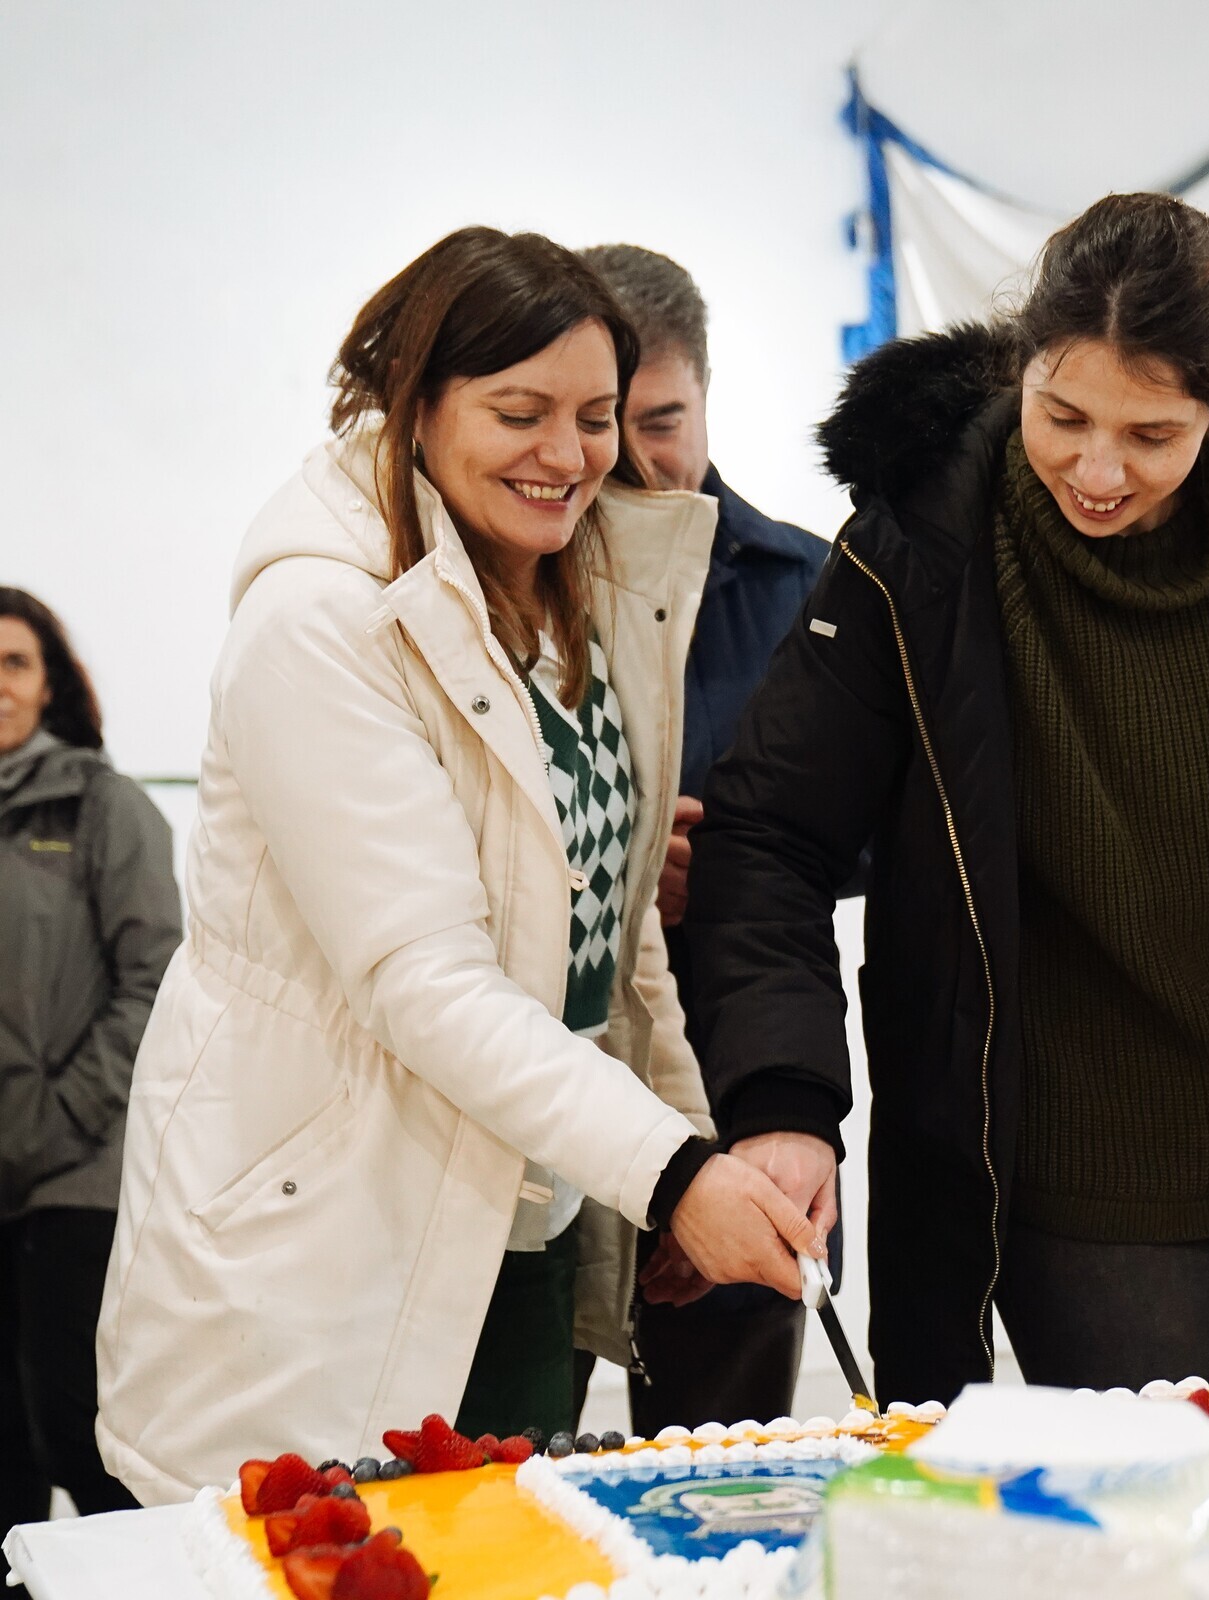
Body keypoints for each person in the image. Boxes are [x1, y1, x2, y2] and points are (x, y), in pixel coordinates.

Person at [682, 193, 1209, 1403]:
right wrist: (783, 1100)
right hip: (1069, 1170)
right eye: (1063, 416)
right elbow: (769, 834)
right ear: (1020, 368)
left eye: (1152, 434)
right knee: (1154, 1499)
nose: (1096, 469)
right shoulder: (918, 548)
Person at [96, 227, 824, 1504]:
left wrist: (690, 1140)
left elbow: (613, 939)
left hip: (522, 1223)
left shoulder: (567, 593)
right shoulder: (319, 623)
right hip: (333, 1234)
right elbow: (424, 979)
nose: (570, 454)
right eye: (519, 413)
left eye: (596, 417)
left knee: (506, 1552)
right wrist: (673, 1175)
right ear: (415, 402)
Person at [576, 243, 833, 1432]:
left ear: (710, 393)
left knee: (726, 1462)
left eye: (663, 421)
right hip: (545, 1081)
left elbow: (881, 835)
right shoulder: (506, 587)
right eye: (604, 422)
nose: (633, 458)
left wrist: (730, 862)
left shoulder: (803, 588)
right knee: (501, 1455)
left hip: (742, 1080)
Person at [0, 590, 177, 1534]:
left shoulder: (103, 806)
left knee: (74, 1424)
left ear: (50, 685)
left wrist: (62, 1114)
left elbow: (156, 979)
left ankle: (176, 1576)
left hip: (80, 1167)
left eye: (14, 663)